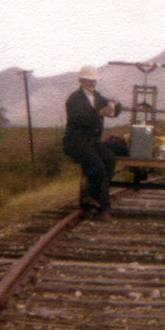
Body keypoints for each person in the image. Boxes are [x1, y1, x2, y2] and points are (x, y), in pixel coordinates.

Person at [62, 65, 121, 221]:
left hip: (93, 142)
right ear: (81, 81)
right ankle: (104, 208)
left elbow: (113, 110)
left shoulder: (98, 97)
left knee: (110, 160)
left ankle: (92, 196)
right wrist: (98, 113)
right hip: (76, 142)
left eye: (94, 80)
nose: (92, 83)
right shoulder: (74, 98)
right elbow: (78, 119)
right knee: (98, 167)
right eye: (89, 80)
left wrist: (116, 105)